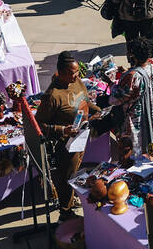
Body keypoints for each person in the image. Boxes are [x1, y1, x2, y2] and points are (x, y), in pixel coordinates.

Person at [35, 51, 98, 221]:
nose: (76, 76)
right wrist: (63, 130)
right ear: (61, 73)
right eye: (72, 73)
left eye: (77, 72)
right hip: (65, 144)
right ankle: (65, 212)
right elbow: (38, 124)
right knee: (66, 178)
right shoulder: (52, 96)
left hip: (81, 137)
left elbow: (83, 99)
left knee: (75, 172)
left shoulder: (75, 80)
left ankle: (70, 201)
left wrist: (96, 111)